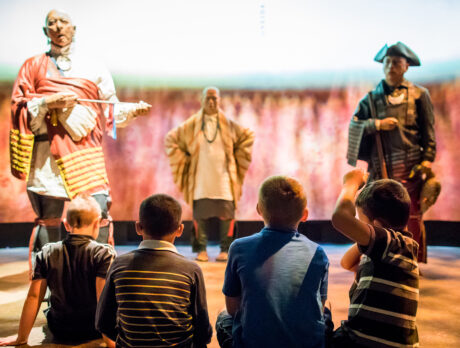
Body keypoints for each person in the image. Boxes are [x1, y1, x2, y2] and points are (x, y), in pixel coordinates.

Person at [9, 9, 151, 269]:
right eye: (52, 23)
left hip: (85, 154)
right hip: (47, 156)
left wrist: (133, 110)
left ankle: (97, 276)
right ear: (45, 31)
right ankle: (48, 280)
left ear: (74, 29)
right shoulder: (32, 66)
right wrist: (46, 102)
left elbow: (110, 108)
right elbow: (19, 106)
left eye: (64, 22)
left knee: (96, 213)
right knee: (48, 218)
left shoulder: (94, 67)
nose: (58, 27)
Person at [347, 41, 436, 263]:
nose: (391, 67)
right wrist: (376, 124)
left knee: (411, 217)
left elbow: (429, 133)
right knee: (374, 215)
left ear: (406, 66)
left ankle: (409, 260)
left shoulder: (419, 95)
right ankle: (374, 257)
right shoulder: (371, 98)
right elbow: (355, 124)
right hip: (380, 168)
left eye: (396, 62)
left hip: (410, 170)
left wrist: (426, 161)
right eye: (387, 62)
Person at [216, 176, 329, 348]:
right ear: (304, 215)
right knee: (326, 311)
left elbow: (233, 309)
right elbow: (318, 307)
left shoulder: (239, 247)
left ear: (259, 209)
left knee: (223, 316)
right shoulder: (318, 253)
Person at [96, 194, 213, 347]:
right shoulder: (191, 270)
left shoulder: (119, 265)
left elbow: (103, 322)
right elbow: (203, 330)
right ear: (180, 229)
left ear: (138, 227)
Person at [0, 195, 116, 346]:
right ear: (97, 224)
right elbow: (103, 299)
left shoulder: (47, 252)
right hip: (92, 329)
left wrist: (21, 338)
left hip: (60, 328)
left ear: (66, 224)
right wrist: (110, 341)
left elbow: (34, 297)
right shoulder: (104, 254)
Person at [329, 168, 419, 347]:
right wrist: (366, 232)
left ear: (376, 226)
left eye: (359, 219)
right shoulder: (399, 247)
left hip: (362, 342)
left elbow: (339, 218)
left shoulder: (391, 242)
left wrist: (351, 183)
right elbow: (346, 263)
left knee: (319, 319)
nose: (357, 225)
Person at [165, 87, 254, 262]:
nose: (212, 103)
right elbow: (171, 139)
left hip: (224, 179)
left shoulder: (228, 124)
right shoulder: (192, 124)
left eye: (215, 99)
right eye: (208, 99)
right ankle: (201, 250)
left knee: (227, 214)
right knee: (200, 216)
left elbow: (248, 136)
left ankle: (225, 250)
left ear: (219, 101)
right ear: (202, 100)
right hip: (201, 178)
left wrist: (236, 159)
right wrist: (186, 159)